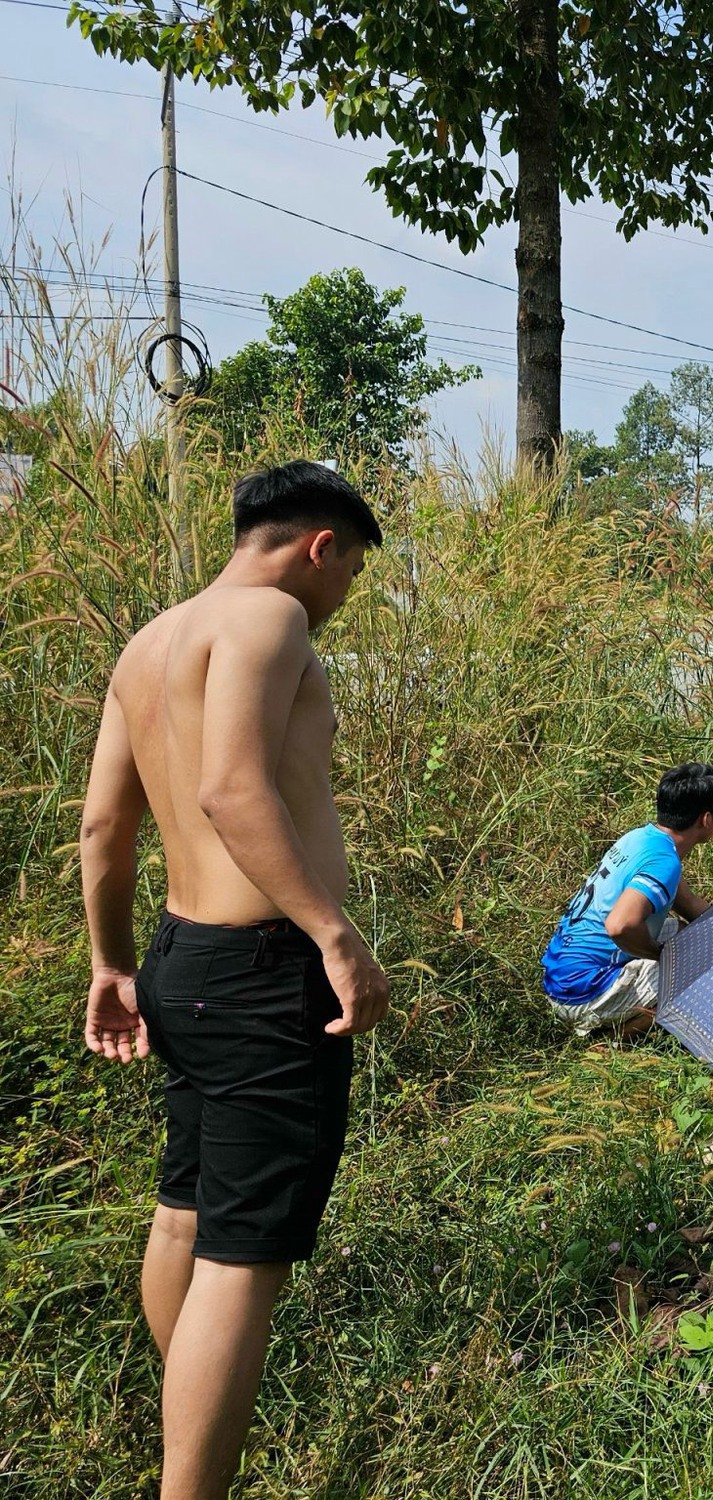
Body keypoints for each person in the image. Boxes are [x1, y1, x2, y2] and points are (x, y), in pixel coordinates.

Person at [78, 460, 392, 1500]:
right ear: (321, 547)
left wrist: (111, 961)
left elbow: (102, 829)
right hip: (263, 971)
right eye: (350, 575)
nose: (342, 599)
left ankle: (188, 1431)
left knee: (185, 1212)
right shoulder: (269, 622)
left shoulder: (149, 642)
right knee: (241, 1256)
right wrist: (333, 936)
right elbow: (229, 787)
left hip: (182, 959)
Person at [541, 763, 713, 1038]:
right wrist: (659, 955)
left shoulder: (641, 839)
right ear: (706, 819)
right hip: (581, 993)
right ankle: (614, 1040)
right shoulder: (664, 862)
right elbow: (619, 925)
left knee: (688, 936)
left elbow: (690, 905)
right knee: (695, 972)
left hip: (560, 977)